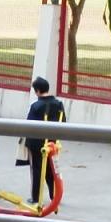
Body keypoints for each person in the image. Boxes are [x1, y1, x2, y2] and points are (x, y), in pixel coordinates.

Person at [21, 76, 65, 204]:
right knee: (51, 169)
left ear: (38, 91)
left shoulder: (36, 106)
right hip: (52, 142)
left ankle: (35, 197)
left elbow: (29, 125)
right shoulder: (59, 104)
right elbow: (63, 121)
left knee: (37, 170)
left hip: (36, 143)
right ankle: (54, 195)